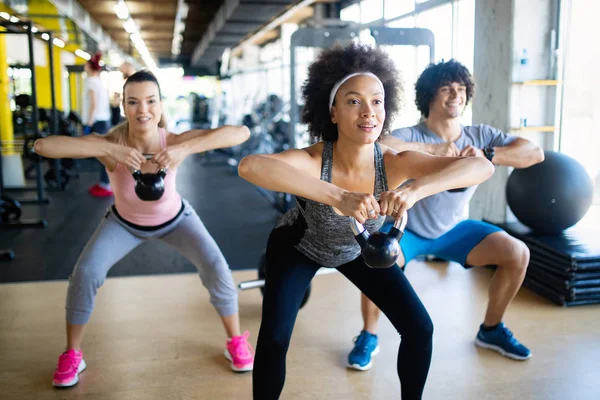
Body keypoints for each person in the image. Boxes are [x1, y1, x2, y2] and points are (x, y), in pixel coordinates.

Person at [238, 43, 495, 400]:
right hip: (298, 247)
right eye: (353, 101)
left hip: (357, 251)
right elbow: (250, 166)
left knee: (420, 328)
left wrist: (415, 191)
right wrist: (338, 196)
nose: (368, 112)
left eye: (376, 101)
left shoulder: (394, 162)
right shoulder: (314, 159)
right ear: (333, 112)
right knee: (276, 338)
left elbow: (482, 167)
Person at [34, 71, 255, 388]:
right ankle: (72, 352)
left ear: (161, 105)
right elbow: (44, 146)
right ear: (123, 106)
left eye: (151, 101)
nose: (143, 110)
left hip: (178, 220)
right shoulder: (110, 144)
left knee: (217, 266)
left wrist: (184, 150)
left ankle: (235, 341)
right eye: (133, 102)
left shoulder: (173, 141)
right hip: (123, 224)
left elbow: (241, 133)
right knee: (85, 273)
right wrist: (112, 152)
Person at [347, 59, 545, 371]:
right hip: (407, 230)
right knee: (376, 262)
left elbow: (534, 153)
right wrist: (436, 151)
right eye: (446, 89)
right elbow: (379, 143)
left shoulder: (480, 136)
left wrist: (489, 154)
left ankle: (491, 330)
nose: (456, 95)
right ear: (429, 95)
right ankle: (368, 335)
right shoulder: (414, 134)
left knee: (517, 253)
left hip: (454, 230)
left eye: (461, 89)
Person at [83, 53, 113, 198]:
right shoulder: (99, 81)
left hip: (97, 122)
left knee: (102, 154)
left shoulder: (91, 82)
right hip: (104, 121)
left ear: (89, 67)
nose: (84, 66)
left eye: (86, 64)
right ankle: (104, 182)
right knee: (103, 153)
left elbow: (93, 105)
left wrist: (88, 124)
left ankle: (105, 184)